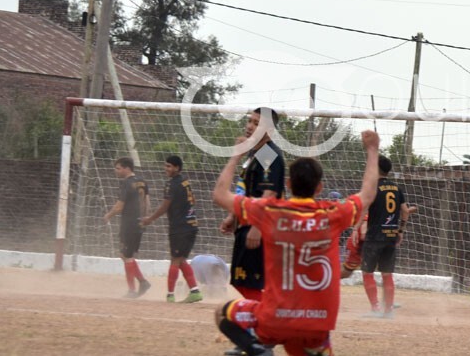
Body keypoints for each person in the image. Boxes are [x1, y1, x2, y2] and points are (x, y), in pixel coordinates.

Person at [211, 129, 382, 356]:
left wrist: (235, 155)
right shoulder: (333, 214)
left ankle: (257, 350)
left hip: (273, 320)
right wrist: (372, 150)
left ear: (289, 184)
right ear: (319, 187)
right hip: (317, 326)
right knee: (305, 346)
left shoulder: (270, 211)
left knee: (222, 313)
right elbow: (368, 194)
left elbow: (220, 195)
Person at [219, 107, 285, 301]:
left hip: (259, 227)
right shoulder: (254, 154)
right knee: (242, 281)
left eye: (257, 124)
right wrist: (233, 216)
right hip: (246, 223)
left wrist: (257, 227)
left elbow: (270, 193)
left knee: (249, 282)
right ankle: (267, 317)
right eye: (250, 121)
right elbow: (246, 189)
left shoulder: (268, 154)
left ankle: (268, 319)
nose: (250, 126)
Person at [141, 155, 202, 303]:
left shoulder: (172, 184)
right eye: (165, 165)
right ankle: (194, 291)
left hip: (180, 227)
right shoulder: (185, 181)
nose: (165, 169)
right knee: (181, 259)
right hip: (191, 225)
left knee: (175, 260)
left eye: (169, 166)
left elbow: (165, 206)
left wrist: (150, 219)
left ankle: (170, 295)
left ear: (177, 168)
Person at [359, 155, 412, 318]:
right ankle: (388, 311)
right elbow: (405, 211)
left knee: (367, 272)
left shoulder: (373, 187)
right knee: (387, 274)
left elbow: (363, 209)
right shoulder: (397, 188)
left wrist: (356, 228)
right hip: (391, 236)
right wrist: (401, 231)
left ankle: (375, 308)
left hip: (374, 236)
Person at [103, 157, 151, 298]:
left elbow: (119, 206)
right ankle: (143, 282)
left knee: (127, 256)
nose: (116, 171)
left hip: (129, 224)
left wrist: (108, 215)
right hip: (139, 222)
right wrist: (146, 218)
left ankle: (132, 290)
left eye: (118, 168)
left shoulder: (127, 183)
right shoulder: (142, 181)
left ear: (127, 168)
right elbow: (147, 202)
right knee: (124, 255)